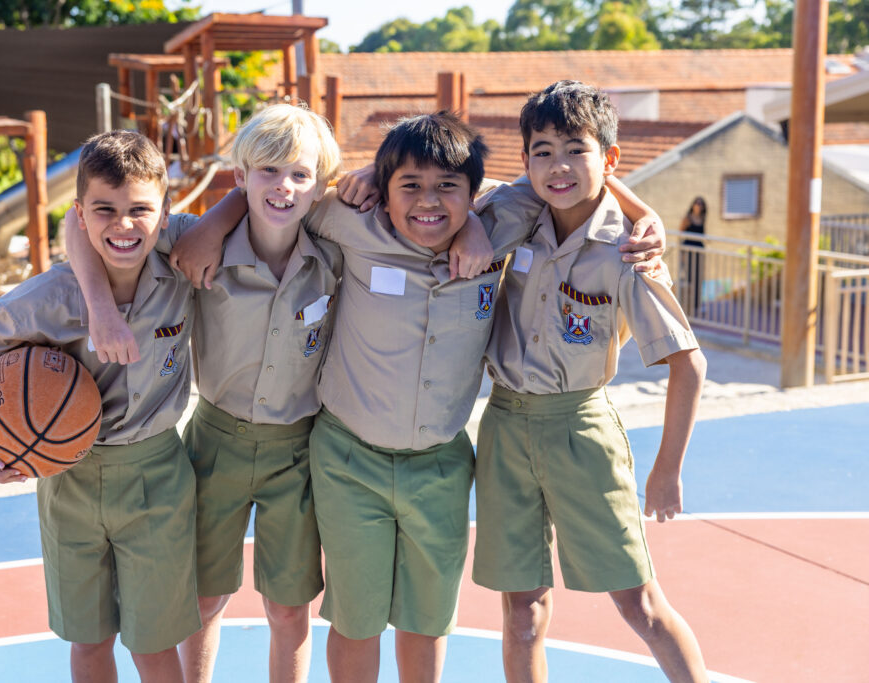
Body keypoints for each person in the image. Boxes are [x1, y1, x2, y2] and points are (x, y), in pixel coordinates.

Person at [169, 111, 666, 683]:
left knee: (425, 623)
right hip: (347, 459)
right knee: (353, 621)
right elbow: (284, 194)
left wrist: (640, 211)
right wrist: (218, 216)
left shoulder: (504, 221)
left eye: (449, 189)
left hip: (441, 465)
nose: (429, 201)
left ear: (475, 195)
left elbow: (564, 176)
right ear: (383, 191)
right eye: (409, 186)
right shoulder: (348, 222)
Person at [65, 104, 343, 683]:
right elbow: (78, 222)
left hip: (298, 450)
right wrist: (99, 310)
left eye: (299, 174)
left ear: (321, 186)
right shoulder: (189, 239)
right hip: (214, 443)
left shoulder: (336, 245)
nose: (284, 186)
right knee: (202, 600)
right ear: (239, 178)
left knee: (289, 608)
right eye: (265, 171)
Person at [0, 130, 200, 683]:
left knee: (154, 647)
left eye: (140, 211)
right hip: (67, 478)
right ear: (80, 214)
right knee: (88, 642)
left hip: (156, 474)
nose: (124, 224)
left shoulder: (180, 262)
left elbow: (238, 213)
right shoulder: (49, 297)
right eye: (104, 210)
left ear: (167, 211)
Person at [472, 80, 709, 683]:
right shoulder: (516, 214)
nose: (557, 166)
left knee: (640, 605)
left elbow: (689, 363)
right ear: (525, 162)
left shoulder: (627, 250)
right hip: (504, 429)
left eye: (575, 149)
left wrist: (667, 468)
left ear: (608, 159)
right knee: (522, 612)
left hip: (581, 430)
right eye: (542, 151)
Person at [680, 196, 706, 315]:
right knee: (690, 277)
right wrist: (682, 254)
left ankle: (697, 305)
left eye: (701, 204)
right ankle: (688, 305)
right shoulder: (688, 218)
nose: (699, 206)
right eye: (697, 203)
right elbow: (680, 234)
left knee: (698, 278)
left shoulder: (702, 218)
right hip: (688, 250)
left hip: (699, 251)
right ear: (693, 205)